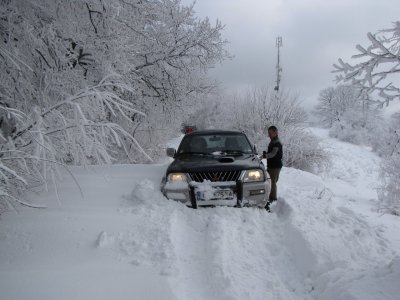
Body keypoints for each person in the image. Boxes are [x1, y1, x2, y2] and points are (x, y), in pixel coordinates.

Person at [262, 126, 283, 212]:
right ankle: (270, 196)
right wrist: (266, 154)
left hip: (275, 166)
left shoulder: (277, 143)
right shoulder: (273, 141)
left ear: (275, 132)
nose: (269, 135)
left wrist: (264, 156)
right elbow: (271, 153)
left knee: (272, 182)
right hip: (271, 165)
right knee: (269, 181)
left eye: (270, 133)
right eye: (269, 133)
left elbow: (273, 154)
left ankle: (273, 199)